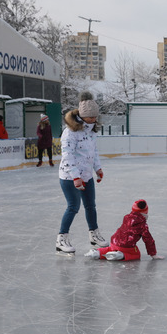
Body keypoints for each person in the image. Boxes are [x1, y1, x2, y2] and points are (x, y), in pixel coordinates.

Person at [55, 91, 109, 255]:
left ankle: (94, 235)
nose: (93, 119)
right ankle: (61, 240)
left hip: (86, 175)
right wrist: (76, 177)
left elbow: (94, 152)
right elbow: (68, 155)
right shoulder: (70, 132)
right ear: (83, 115)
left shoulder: (91, 130)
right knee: (73, 207)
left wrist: (97, 169)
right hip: (69, 176)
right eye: (90, 117)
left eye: (95, 117)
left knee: (90, 206)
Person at [84, 199, 163, 261]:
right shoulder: (143, 225)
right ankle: (121, 255)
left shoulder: (127, 217)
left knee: (111, 248)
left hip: (114, 241)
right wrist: (153, 254)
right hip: (125, 245)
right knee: (136, 254)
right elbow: (148, 240)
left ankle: (97, 252)